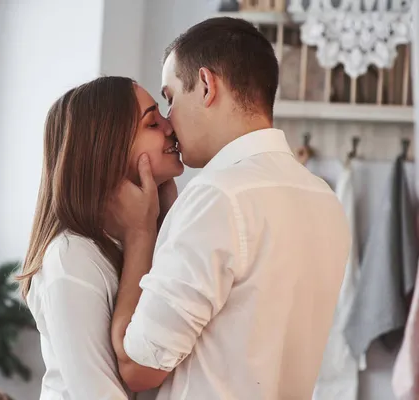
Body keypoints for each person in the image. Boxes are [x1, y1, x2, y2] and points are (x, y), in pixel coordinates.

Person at [108, 17, 352, 399]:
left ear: (206, 85)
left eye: (170, 99)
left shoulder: (217, 196)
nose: (168, 124)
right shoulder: (325, 199)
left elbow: (139, 367)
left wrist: (140, 235)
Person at [18, 76, 183, 399]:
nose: (170, 126)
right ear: (109, 148)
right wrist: (142, 234)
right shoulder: (71, 257)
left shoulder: (149, 230)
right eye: (152, 123)